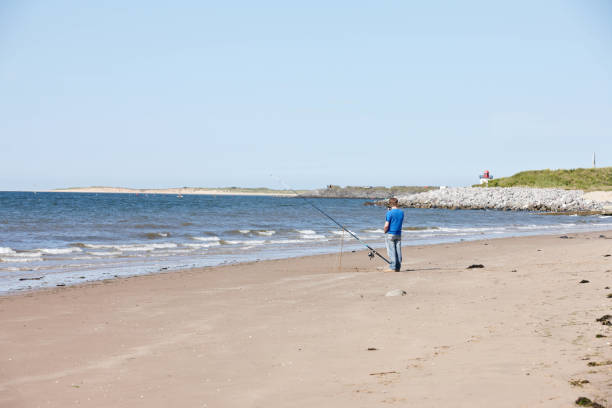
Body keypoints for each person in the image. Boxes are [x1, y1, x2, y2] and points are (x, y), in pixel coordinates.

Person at [384, 197, 404, 271]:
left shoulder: (389, 213)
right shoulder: (401, 212)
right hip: (398, 233)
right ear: (397, 203)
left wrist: (384, 231)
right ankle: (398, 267)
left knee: (391, 251)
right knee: (398, 250)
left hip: (391, 233)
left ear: (390, 204)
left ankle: (393, 267)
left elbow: (386, 225)